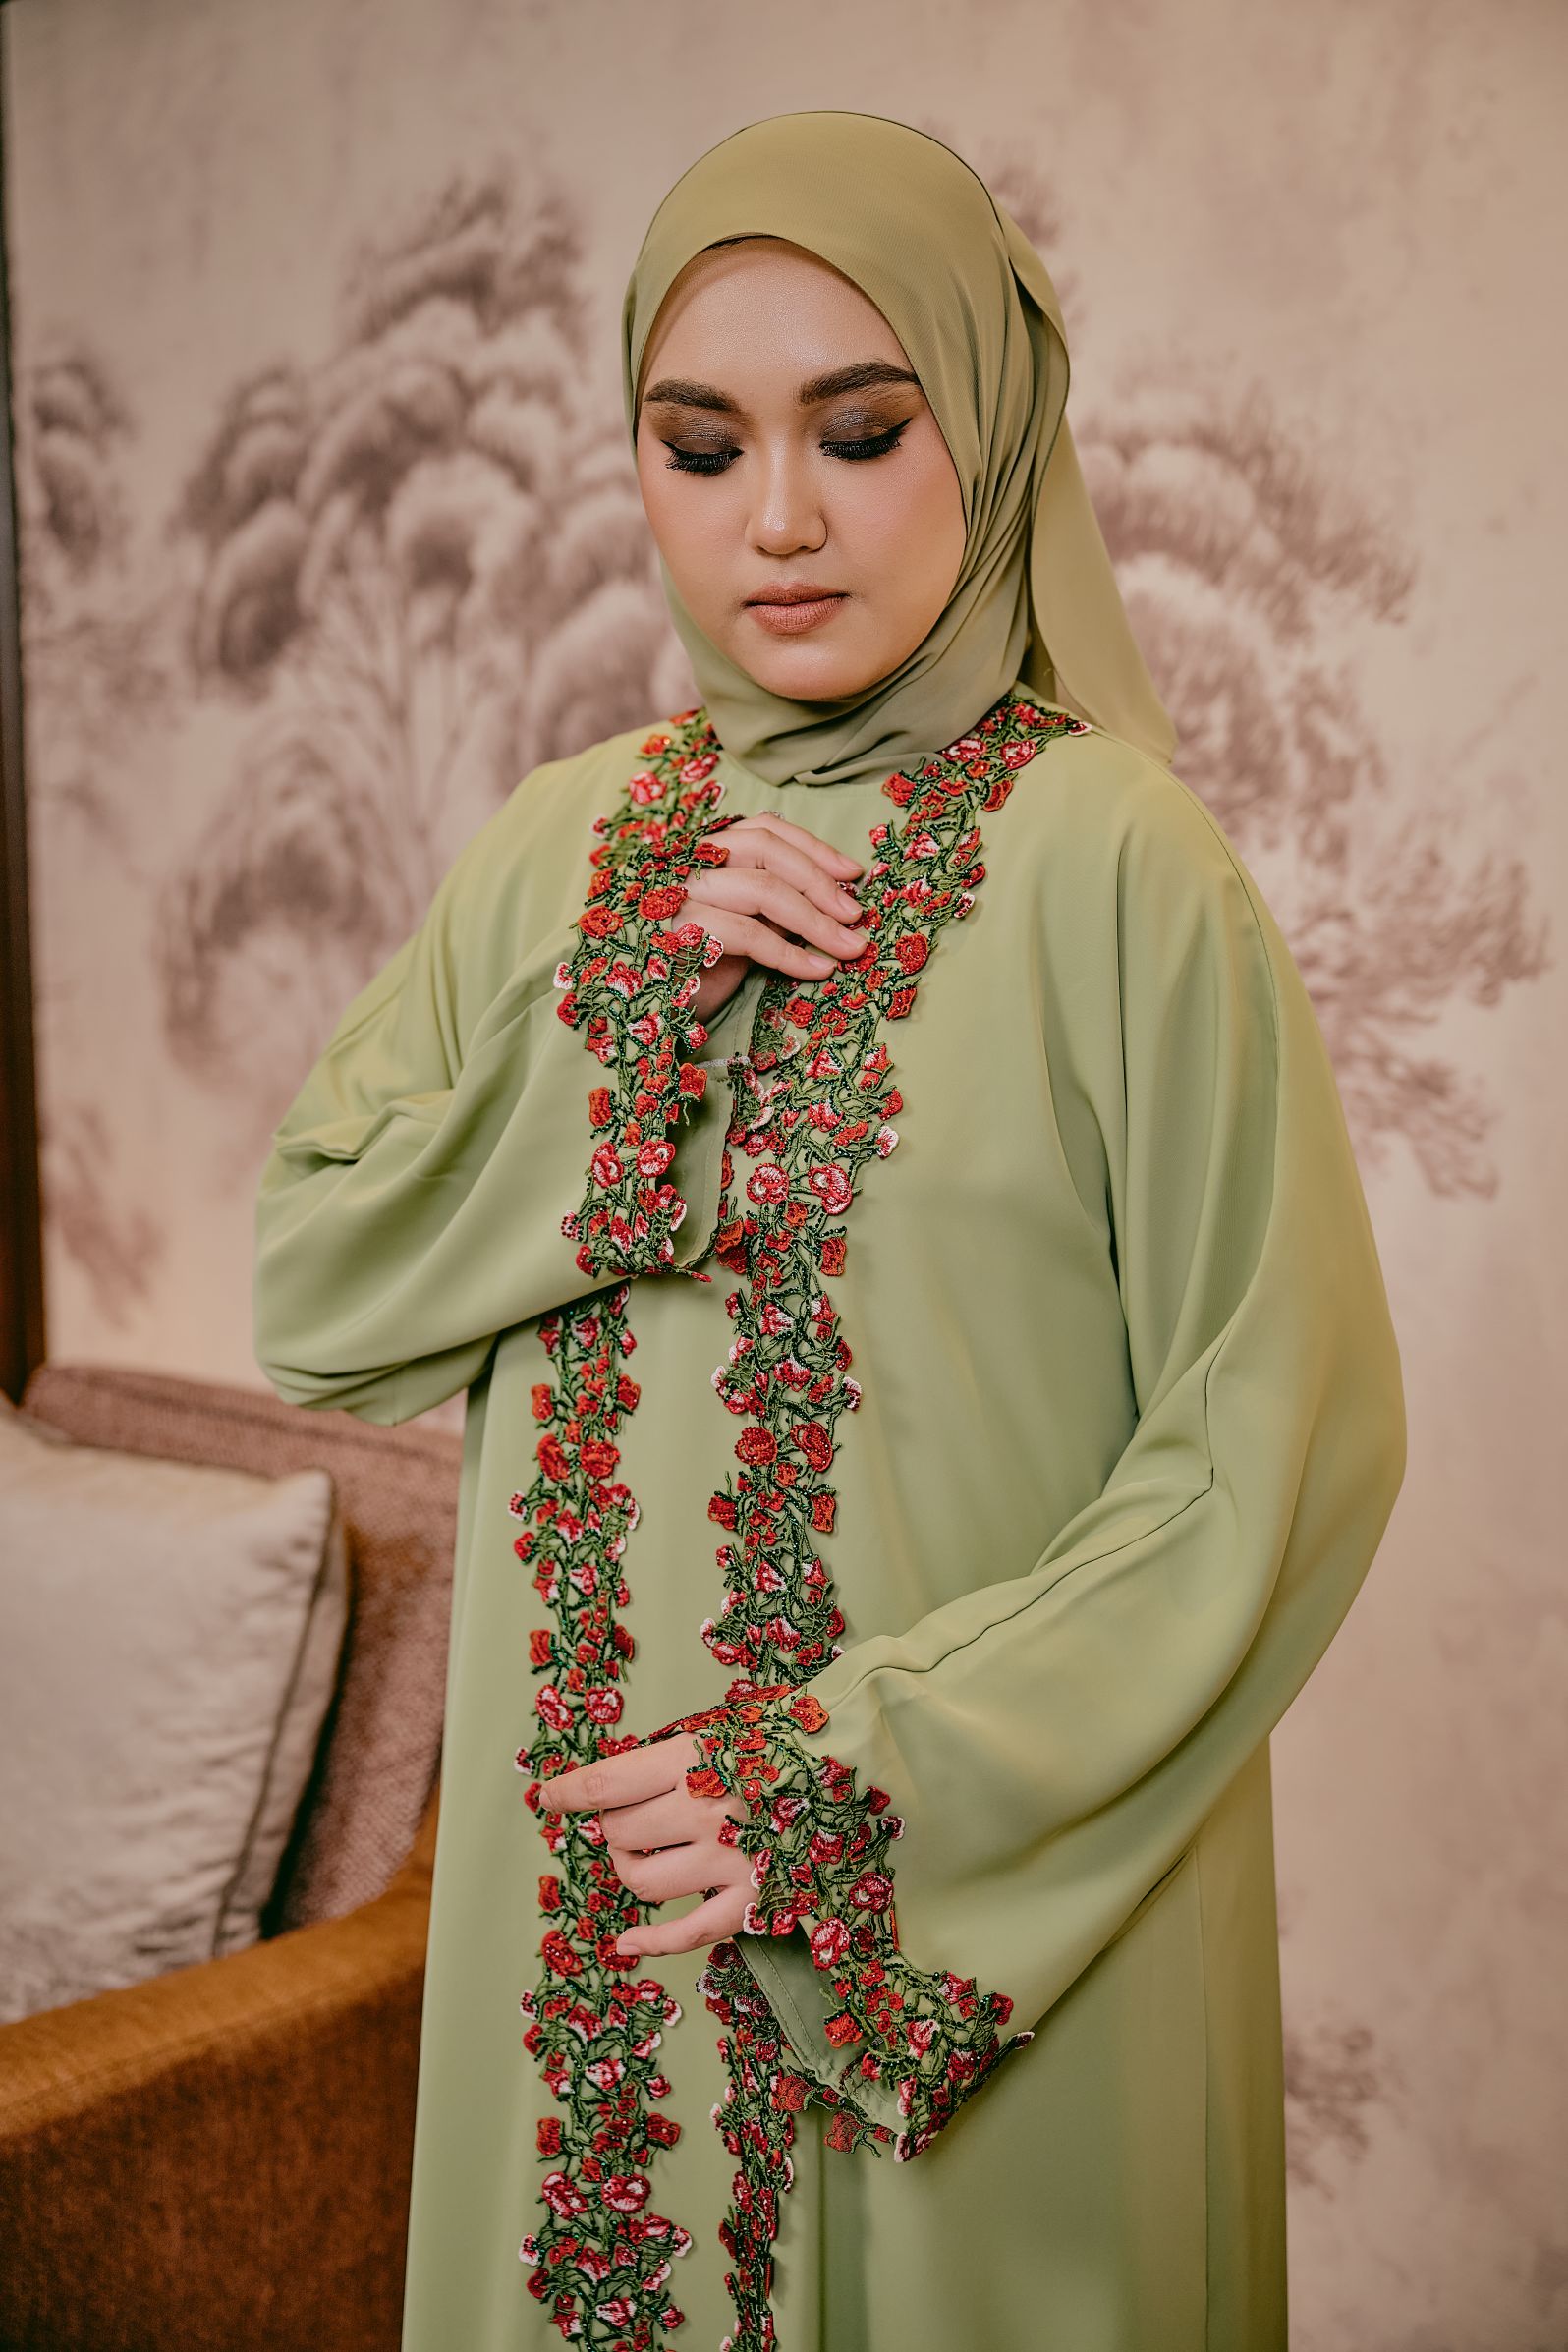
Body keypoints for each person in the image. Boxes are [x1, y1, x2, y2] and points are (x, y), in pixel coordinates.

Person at [252, 110, 1407, 2352]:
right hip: (593, 1985)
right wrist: (613, 1057)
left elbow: (1276, 1449)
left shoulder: (1122, 869)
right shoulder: (558, 853)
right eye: (700, 447)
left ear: (988, 425)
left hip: (980, 1963)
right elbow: (318, 1290)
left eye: (860, 432)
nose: (774, 518)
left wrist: (851, 1788)